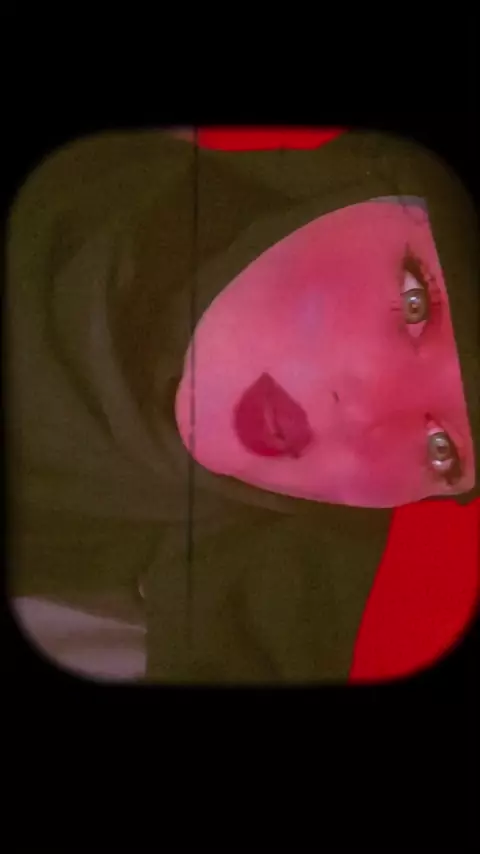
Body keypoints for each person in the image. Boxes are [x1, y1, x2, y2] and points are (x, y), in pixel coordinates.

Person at [7, 128, 479, 683]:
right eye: (416, 300)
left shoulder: (279, 567)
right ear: (347, 189)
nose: (362, 416)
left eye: (444, 450)